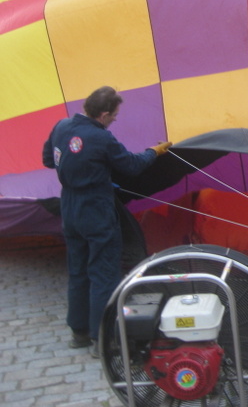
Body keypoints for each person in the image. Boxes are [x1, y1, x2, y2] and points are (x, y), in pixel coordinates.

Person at [42, 86, 172, 357]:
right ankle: (103, 338)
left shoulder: (61, 126)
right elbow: (132, 165)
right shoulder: (101, 137)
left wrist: (76, 167)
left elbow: (47, 160)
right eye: (114, 115)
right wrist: (154, 151)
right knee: (104, 273)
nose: (115, 119)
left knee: (78, 270)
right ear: (103, 114)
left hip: (69, 207)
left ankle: (78, 332)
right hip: (96, 210)